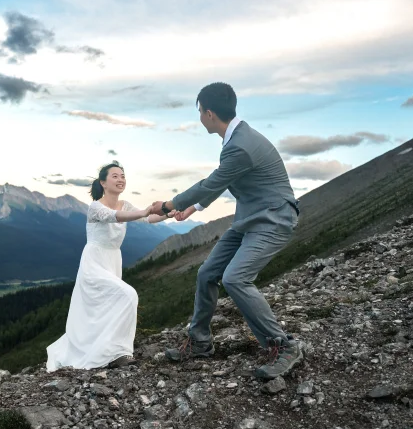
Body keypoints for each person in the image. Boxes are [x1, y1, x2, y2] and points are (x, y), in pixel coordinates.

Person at [149, 82, 303, 379]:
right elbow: (222, 181)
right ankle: (200, 343)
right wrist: (193, 208)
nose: (199, 118)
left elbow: (212, 182)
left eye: (198, 112)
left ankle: (283, 346)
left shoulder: (240, 146)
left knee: (236, 278)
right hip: (250, 219)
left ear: (208, 113)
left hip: (273, 220)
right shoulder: (238, 138)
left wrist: (169, 205)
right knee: (207, 273)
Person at [47, 162, 171, 371]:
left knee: (108, 306)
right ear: (103, 182)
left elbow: (149, 219)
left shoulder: (126, 204)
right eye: (115, 176)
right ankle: (119, 352)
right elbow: (115, 217)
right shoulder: (95, 206)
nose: (121, 179)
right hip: (94, 261)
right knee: (127, 295)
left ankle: (112, 350)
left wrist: (171, 213)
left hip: (113, 260)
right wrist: (143, 211)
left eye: (123, 175)